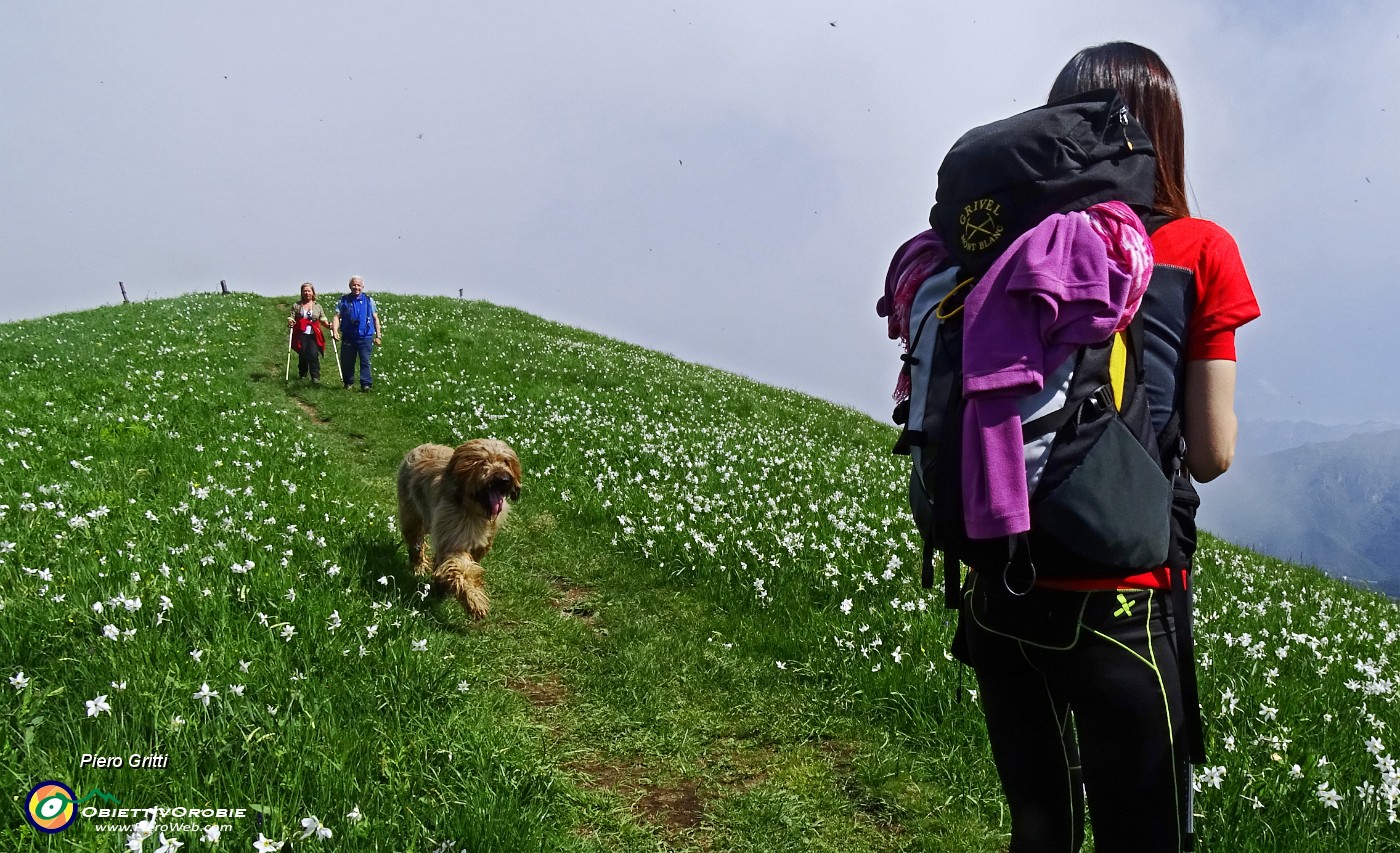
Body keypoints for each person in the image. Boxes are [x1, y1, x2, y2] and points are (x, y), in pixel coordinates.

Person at [960, 43, 1261, 852]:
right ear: (1162, 133)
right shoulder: (1202, 248)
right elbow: (1212, 452)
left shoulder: (1001, 247)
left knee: (1039, 827)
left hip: (1001, 589)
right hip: (1121, 600)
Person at [331, 275, 382, 391]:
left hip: (366, 336)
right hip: (349, 336)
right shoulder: (343, 300)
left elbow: (375, 318)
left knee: (365, 360)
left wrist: (378, 336)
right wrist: (335, 331)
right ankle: (348, 383)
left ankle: (366, 384)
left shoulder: (369, 300)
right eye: (354, 285)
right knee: (347, 361)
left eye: (358, 285)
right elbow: (336, 317)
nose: (356, 287)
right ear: (350, 286)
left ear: (362, 286)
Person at [287, 282, 327, 384]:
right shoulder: (297, 305)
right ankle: (303, 374)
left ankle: (315, 377)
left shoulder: (318, 306)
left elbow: (323, 319)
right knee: (303, 354)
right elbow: (292, 316)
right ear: (302, 292)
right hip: (301, 333)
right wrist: (291, 321)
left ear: (313, 292)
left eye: (309, 291)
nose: (307, 293)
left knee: (313, 354)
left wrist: (329, 325)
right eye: (304, 291)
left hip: (313, 333)